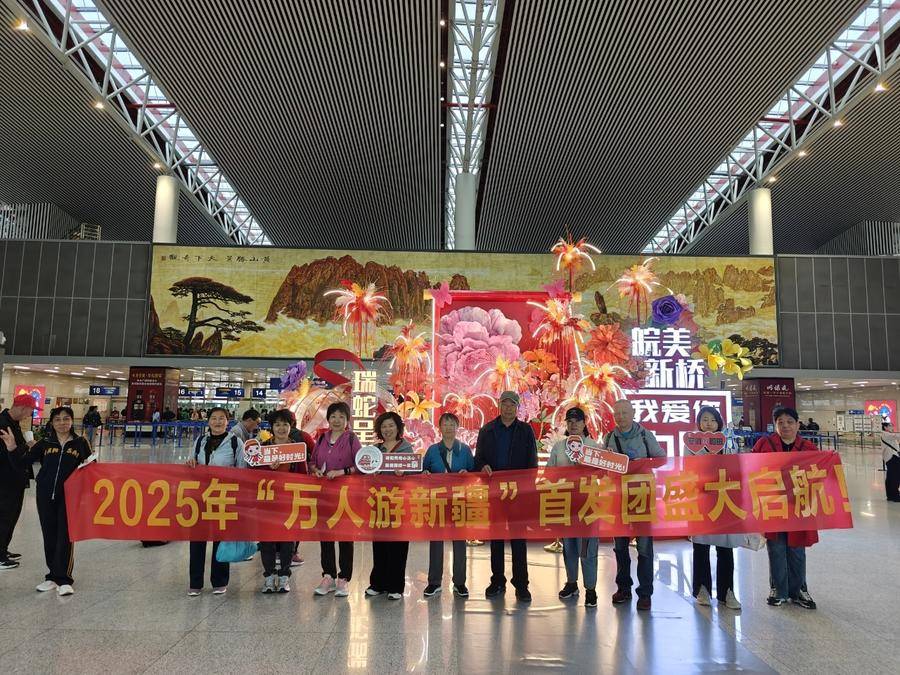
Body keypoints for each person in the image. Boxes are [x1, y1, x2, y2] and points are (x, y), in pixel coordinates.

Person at [2, 406, 91, 595]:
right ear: (51, 423)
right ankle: (52, 577)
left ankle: (64, 579)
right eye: (57, 419)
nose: (62, 423)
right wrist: (12, 448)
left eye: (66, 419)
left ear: (72, 421)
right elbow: (22, 463)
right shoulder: (44, 443)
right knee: (49, 536)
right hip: (45, 496)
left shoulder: (81, 443)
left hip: (70, 496)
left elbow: (92, 468)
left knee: (65, 536)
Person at [752, 406, 820, 609]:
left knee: (797, 549)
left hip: (799, 506)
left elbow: (820, 474)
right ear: (775, 425)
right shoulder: (764, 444)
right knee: (776, 547)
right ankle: (778, 589)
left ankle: (799, 590)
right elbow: (751, 468)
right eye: (780, 422)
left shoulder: (808, 447)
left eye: (790, 422)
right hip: (773, 505)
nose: (785, 426)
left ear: (798, 424)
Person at [475, 391, 538, 602]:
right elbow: (478, 459)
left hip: (518, 494)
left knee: (519, 540)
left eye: (512, 405)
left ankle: (521, 584)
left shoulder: (526, 431)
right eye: (505, 404)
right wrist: (483, 466)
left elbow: (532, 463)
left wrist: (528, 491)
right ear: (499, 406)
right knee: (496, 539)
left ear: (517, 408)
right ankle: (497, 581)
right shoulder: (487, 430)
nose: (508, 408)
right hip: (495, 493)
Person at [606, 398, 665, 611]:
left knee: (644, 548)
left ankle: (645, 593)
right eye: (617, 413)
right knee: (620, 547)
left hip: (642, 498)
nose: (620, 417)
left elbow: (661, 459)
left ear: (633, 414)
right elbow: (605, 468)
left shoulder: (645, 435)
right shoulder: (609, 438)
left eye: (624, 413)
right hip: (619, 498)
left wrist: (641, 464)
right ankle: (623, 588)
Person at [184, 407, 247, 596]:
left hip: (223, 497)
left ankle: (219, 581)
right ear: (208, 421)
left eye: (222, 418)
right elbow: (191, 462)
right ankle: (195, 583)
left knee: (221, 539)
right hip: (201, 497)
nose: (217, 422)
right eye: (214, 418)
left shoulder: (236, 442)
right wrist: (190, 463)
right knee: (197, 540)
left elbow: (242, 470)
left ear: (228, 422)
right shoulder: (200, 441)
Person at [547, 407, 601, 608]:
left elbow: (603, 473)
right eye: (570, 421)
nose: (573, 424)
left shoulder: (593, 446)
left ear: (584, 423)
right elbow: (549, 473)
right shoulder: (559, 447)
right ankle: (571, 583)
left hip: (588, 505)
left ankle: (591, 589)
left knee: (587, 549)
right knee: (569, 547)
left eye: (577, 421)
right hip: (566, 505)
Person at [689, 406, 742, 610]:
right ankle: (702, 589)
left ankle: (727, 592)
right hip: (702, 501)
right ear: (699, 424)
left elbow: (738, 466)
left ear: (719, 422)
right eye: (704, 420)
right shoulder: (692, 443)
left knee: (725, 548)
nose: (708, 424)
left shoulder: (728, 441)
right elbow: (687, 469)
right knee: (701, 547)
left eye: (712, 419)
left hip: (725, 500)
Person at [421, 412, 474, 598]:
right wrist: (425, 473)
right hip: (437, 500)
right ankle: (434, 582)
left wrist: (467, 473)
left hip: (459, 500)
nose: (449, 427)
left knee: (460, 542)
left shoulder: (465, 450)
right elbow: (423, 471)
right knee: (436, 541)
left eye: (452, 424)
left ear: (457, 427)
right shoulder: (432, 450)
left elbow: (474, 473)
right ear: (440, 428)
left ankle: (460, 583)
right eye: (445, 424)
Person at [310, 401, 361, 597]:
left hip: (346, 496)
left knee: (345, 537)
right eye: (333, 416)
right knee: (326, 535)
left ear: (347, 420)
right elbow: (312, 461)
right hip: (324, 495)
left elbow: (362, 465)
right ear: (328, 419)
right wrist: (315, 470)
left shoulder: (352, 439)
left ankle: (344, 578)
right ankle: (328, 576)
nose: (337, 420)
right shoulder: (322, 438)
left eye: (341, 416)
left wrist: (343, 472)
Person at [366, 412, 414, 600]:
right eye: (384, 426)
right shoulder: (374, 450)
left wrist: (404, 473)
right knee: (379, 544)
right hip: (378, 503)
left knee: (398, 545)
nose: (387, 429)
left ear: (398, 428)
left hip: (399, 504)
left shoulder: (406, 448)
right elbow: (365, 474)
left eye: (391, 425)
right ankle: (378, 584)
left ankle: (395, 586)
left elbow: (414, 473)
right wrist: (371, 474)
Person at [258, 409, 297, 593]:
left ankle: (284, 576)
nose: (281, 428)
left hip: (289, 501)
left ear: (291, 427)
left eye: (285, 424)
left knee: (287, 540)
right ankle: (269, 575)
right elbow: (253, 474)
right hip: (267, 501)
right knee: (267, 539)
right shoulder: (263, 447)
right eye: (277, 424)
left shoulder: (297, 448)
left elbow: (303, 472)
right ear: (272, 427)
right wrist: (268, 468)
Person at [0, 395, 38, 570]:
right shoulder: (3, 424)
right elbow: (6, 453)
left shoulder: (13, 423)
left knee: (12, 516)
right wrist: (28, 445)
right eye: (31, 411)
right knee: (4, 517)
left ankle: (3, 549)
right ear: (23, 408)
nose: (30, 414)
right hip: (5, 480)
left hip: (15, 479)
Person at [881, 422, 900, 502]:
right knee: (895, 477)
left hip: (892, 457)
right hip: (892, 458)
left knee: (890, 477)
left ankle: (891, 495)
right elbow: (897, 436)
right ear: (885, 427)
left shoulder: (888, 434)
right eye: (890, 426)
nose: (892, 427)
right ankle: (895, 496)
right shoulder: (885, 434)